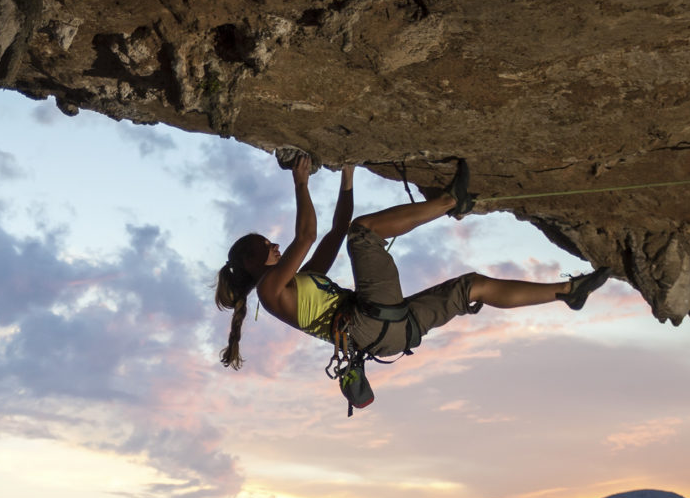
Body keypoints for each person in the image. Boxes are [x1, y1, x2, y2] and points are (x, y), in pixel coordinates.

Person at [214, 155, 612, 410]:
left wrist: (348, 173)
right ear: (249, 263)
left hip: (391, 334)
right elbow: (307, 237)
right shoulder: (270, 292)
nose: (275, 245)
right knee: (364, 233)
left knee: (473, 286)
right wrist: (300, 182)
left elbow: (334, 229)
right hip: (369, 322)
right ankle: (450, 201)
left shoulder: (300, 282)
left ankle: (567, 292)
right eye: (266, 247)